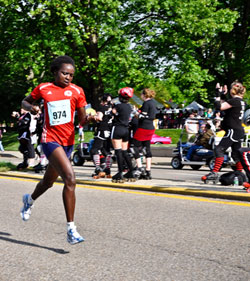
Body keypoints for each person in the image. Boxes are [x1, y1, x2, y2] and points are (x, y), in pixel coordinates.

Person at [20, 55, 89, 245]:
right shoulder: (43, 88)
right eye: (64, 73)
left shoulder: (77, 91)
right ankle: (71, 230)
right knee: (70, 178)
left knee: (48, 182)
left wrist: (91, 119)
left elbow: (82, 119)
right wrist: (32, 107)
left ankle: (29, 200)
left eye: (71, 75)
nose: (68, 77)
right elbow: (24, 102)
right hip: (50, 139)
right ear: (55, 72)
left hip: (68, 141)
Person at [202, 81, 246, 183]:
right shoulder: (240, 101)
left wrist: (217, 94)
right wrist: (223, 95)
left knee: (219, 149)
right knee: (236, 153)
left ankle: (214, 173)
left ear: (233, 91)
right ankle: (240, 173)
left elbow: (219, 107)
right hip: (237, 130)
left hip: (233, 131)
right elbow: (227, 107)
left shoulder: (235, 101)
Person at [111, 87, 136, 182]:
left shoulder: (118, 106)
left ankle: (120, 172)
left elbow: (112, 113)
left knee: (118, 151)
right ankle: (131, 170)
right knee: (125, 151)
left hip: (117, 128)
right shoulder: (129, 107)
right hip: (126, 130)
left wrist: (112, 108)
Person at [131, 88, 157, 179]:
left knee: (134, 147)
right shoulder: (153, 103)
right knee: (147, 147)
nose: (141, 96)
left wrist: (134, 112)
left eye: (142, 94)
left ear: (144, 95)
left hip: (143, 127)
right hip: (151, 127)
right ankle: (148, 170)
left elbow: (143, 116)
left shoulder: (146, 103)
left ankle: (139, 167)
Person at [90, 93, 113, 178]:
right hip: (109, 130)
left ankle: (98, 168)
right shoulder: (112, 109)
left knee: (94, 150)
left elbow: (99, 118)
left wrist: (93, 117)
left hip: (101, 130)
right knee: (105, 151)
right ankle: (107, 169)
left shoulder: (102, 108)